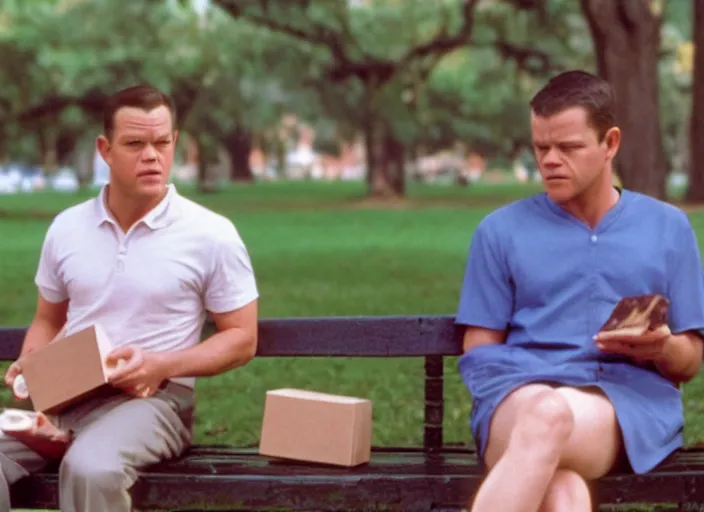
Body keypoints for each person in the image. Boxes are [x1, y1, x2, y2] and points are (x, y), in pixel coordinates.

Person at [1, 84, 259, 512]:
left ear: (175, 142)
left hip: (154, 403)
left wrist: (161, 365)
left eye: (161, 143)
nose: (152, 155)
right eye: (135, 144)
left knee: (91, 468)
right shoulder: (67, 228)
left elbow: (242, 338)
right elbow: (48, 320)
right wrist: (37, 382)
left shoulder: (211, 234)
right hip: (68, 397)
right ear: (105, 149)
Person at [455, 70, 704, 512]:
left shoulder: (668, 228)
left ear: (610, 143)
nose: (550, 160)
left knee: (552, 424)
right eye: (540, 147)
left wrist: (657, 348)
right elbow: (479, 354)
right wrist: (530, 382)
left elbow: (689, 362)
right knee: (561, 482)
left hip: (624, 406)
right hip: (518, 402)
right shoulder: (500, 231)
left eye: (568, 147)